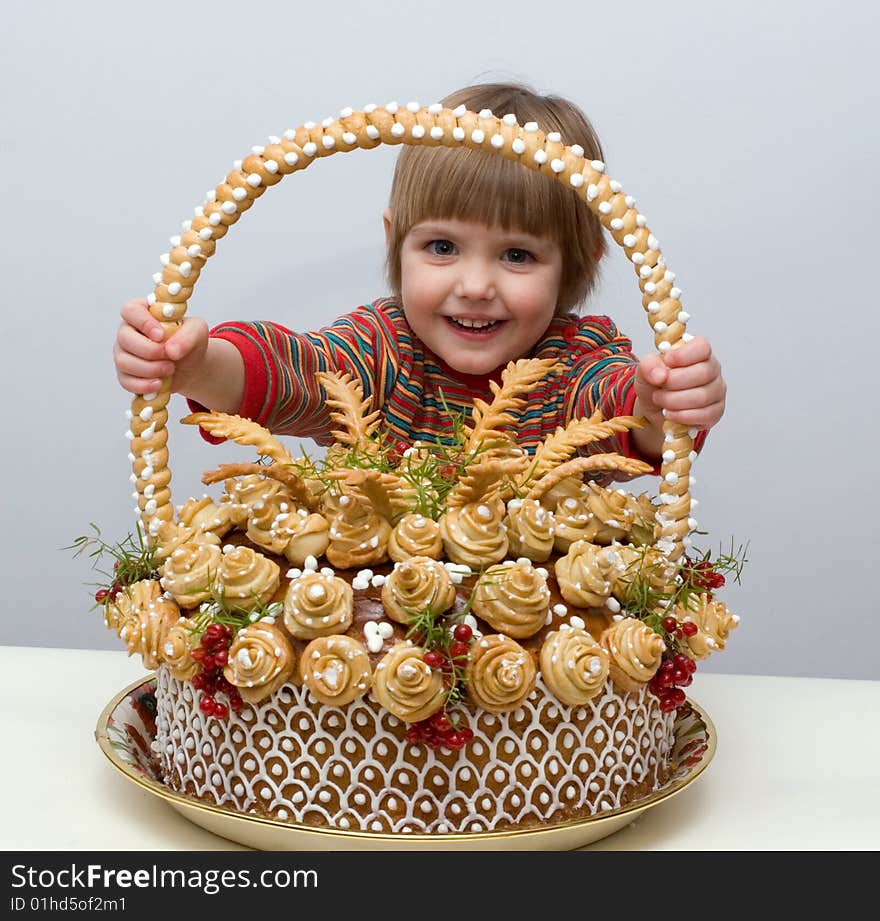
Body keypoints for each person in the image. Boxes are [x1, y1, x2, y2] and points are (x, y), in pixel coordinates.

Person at [113, 81, 726, 473]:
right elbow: (292, 372)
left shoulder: (576, 364)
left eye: (517, 256)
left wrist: (660, 399)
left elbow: (622, 413)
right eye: (442, 247)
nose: (476, 285)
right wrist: (197, 366)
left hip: (545, 642)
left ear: (578, 264)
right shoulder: (382, 351)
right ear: (395, 243)